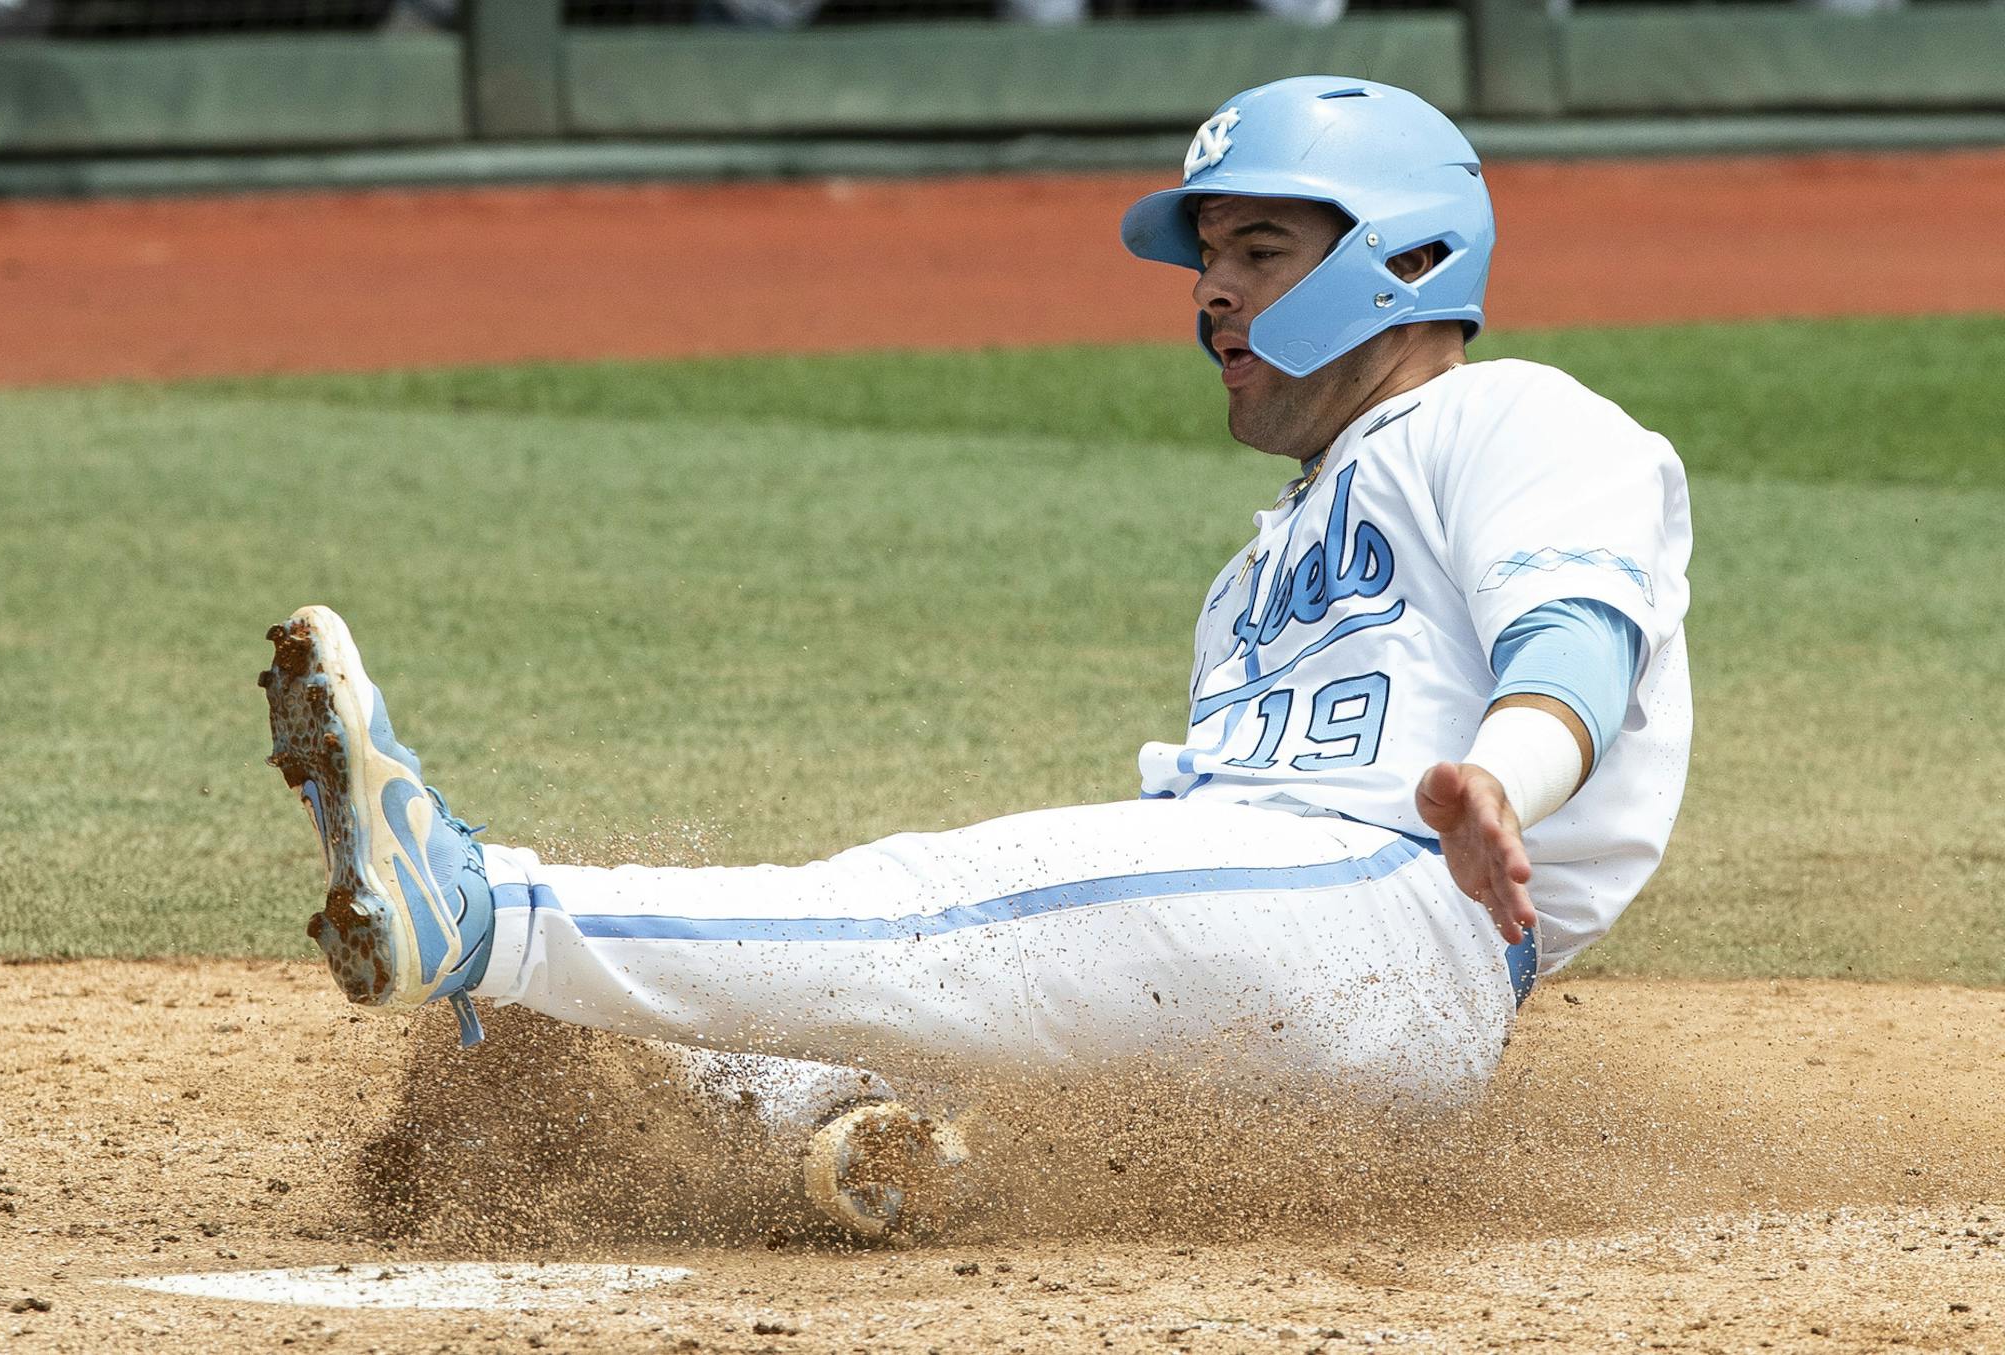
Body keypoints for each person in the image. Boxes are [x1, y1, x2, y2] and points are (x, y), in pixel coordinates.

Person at [258, 76, 1690, 1241]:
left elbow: (1576, 631)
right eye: (1208, 258)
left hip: (1388, 916)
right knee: (878, 1002)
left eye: (1261, 252)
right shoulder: (1261, 562)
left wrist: (1501, 778)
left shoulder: (1511, 418)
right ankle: (860, 1137)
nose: (1212, 295)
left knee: (934, 909)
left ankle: (478, 913)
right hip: (1288, 992)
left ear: (1407, 262)